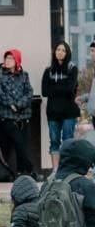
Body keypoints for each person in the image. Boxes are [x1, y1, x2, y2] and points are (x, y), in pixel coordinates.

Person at [42, 41, 79, 173]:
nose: (60, 52)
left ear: (67, 52)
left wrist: (55, 87)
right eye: (58, 49)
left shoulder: (72, 68)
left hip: (69, 111)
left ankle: (67, 170)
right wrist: (62, 87)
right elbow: (44, 91)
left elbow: (70, 88)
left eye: (63, 50)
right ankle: (55, 170)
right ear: (54, 52)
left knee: (68, 141)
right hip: (53, 111)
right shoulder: (48, 70)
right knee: (54, 141)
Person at [0, 49, 34, 177]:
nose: (7, 61)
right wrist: (11, 104)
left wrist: (18, 105)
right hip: (6, 115)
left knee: (23, 144)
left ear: (17, 60)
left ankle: (21, 171)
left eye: (11, 58)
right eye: (6, 58)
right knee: (18, 141)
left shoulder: (24, 75)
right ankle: (29, 169)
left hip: (23, 114)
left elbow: (29, 92)